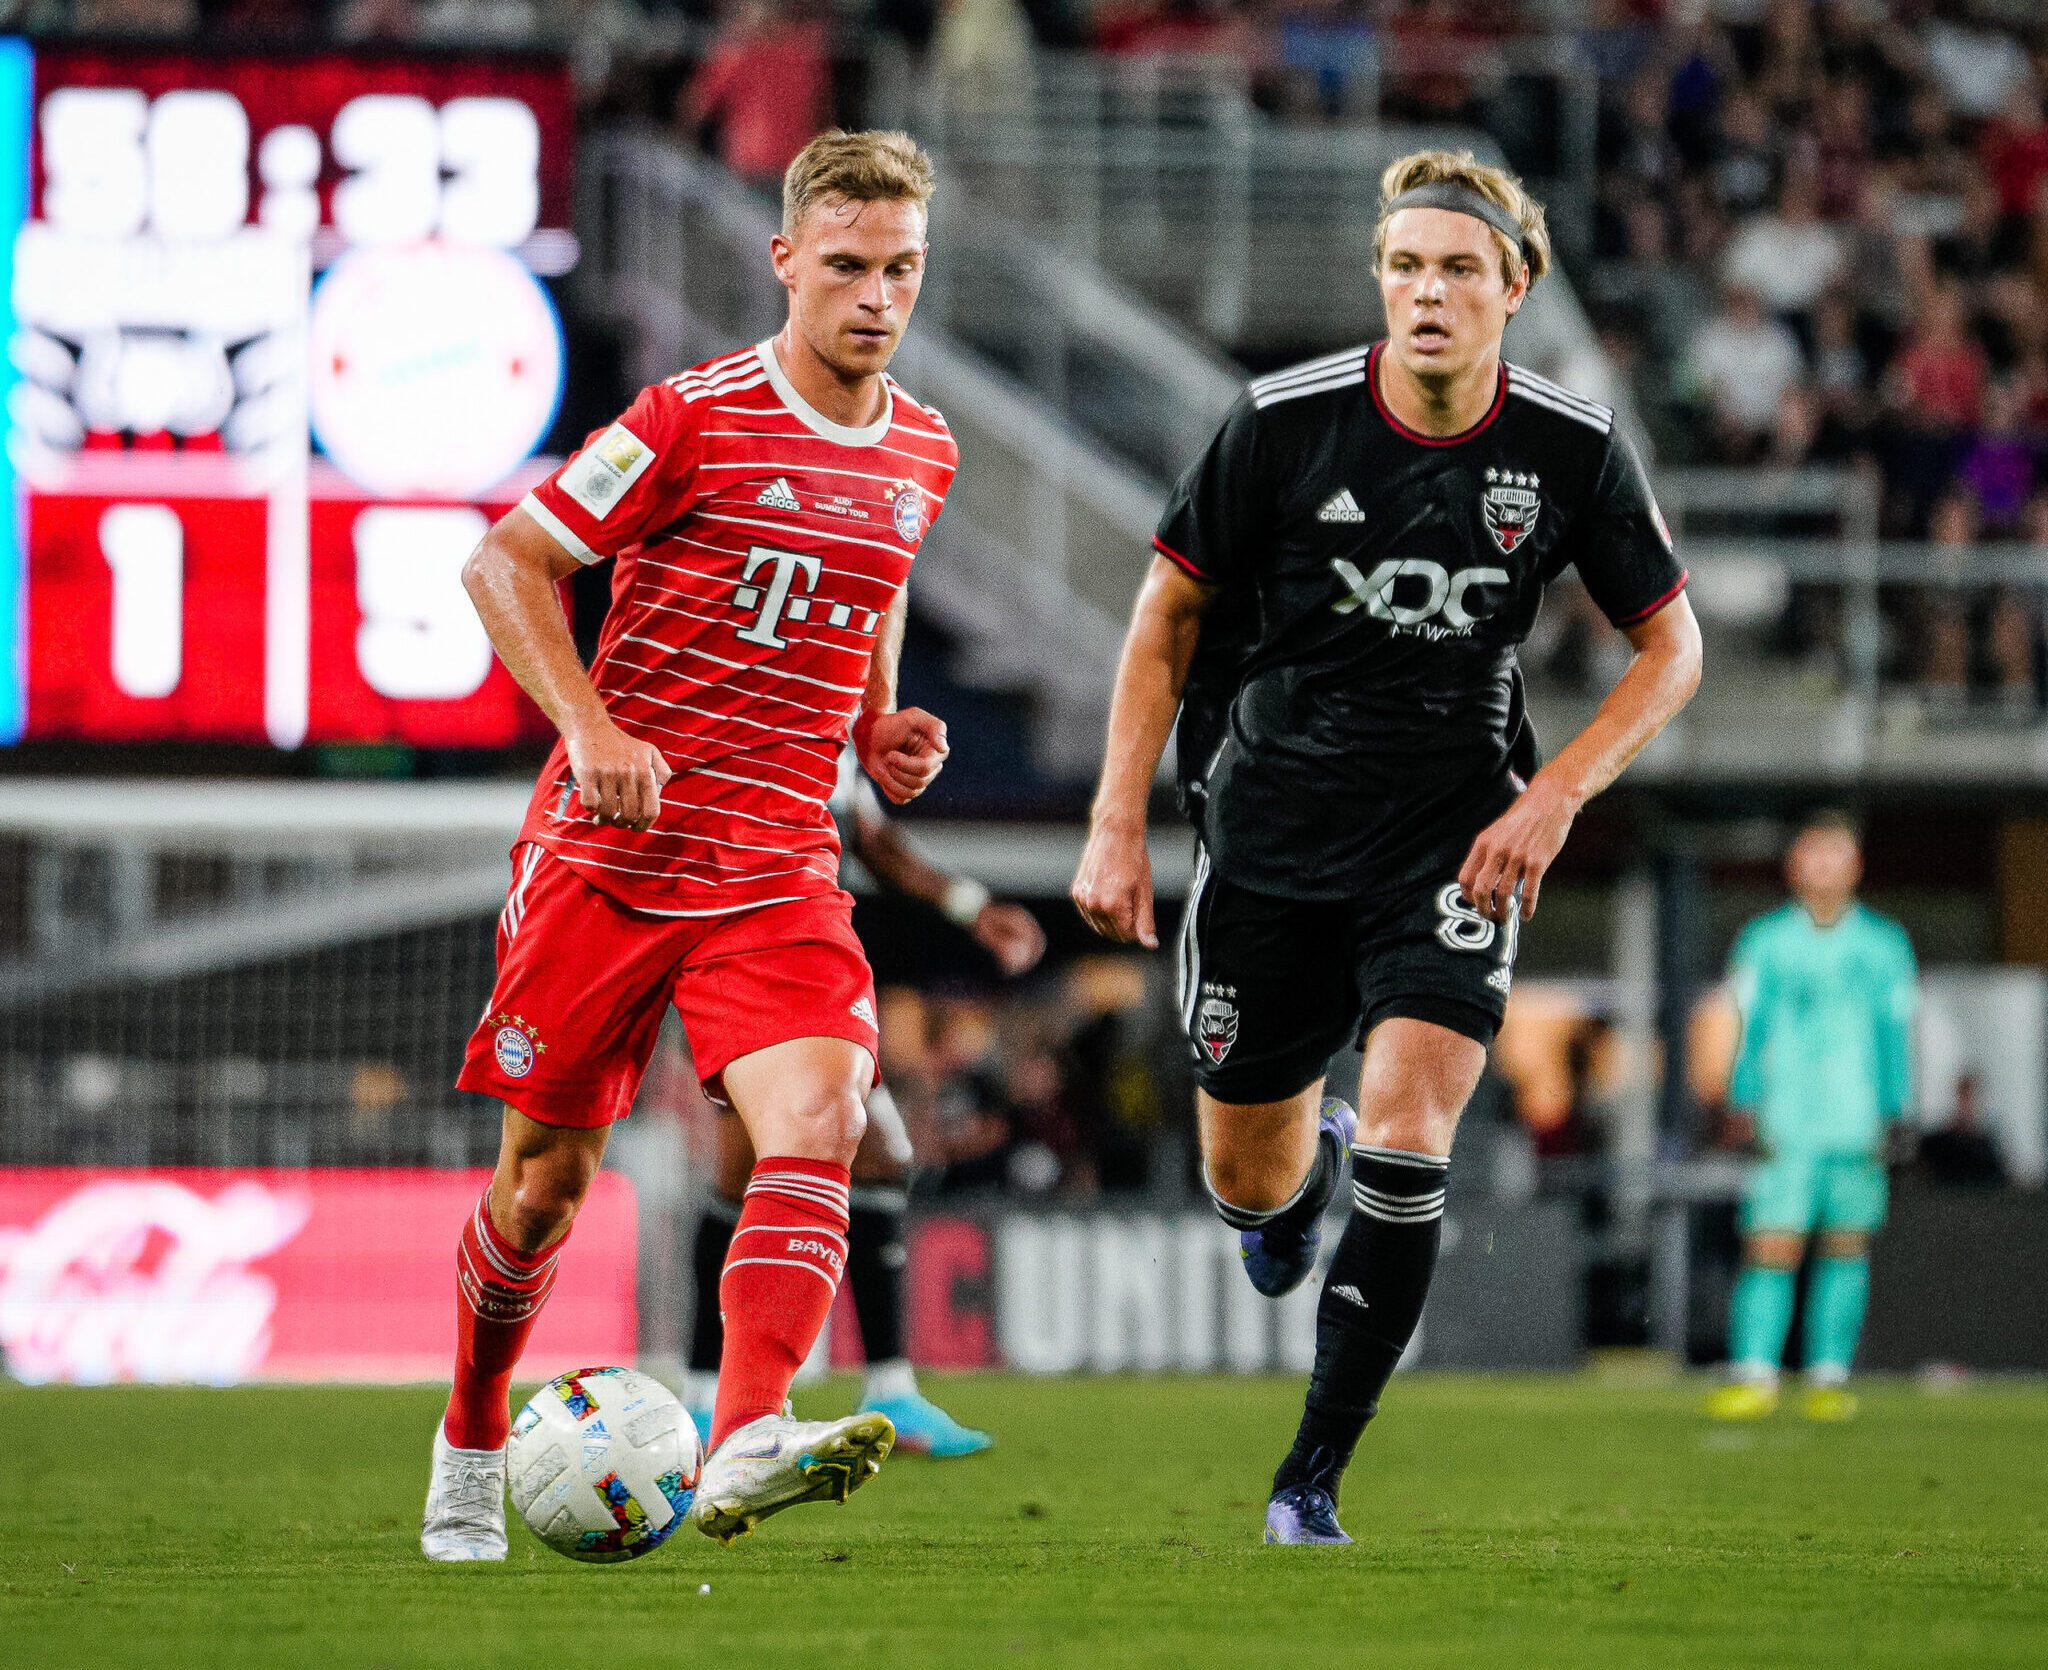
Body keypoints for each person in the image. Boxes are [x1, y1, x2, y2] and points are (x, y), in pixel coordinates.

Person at [1071, 148, 1701, 1546]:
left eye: (1459, 269)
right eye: (1407, 266)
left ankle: (1310, 1478)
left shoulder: (1570, 448)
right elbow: (1166, 618)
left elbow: (1674, 647)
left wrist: (1556, 797)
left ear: (1512, 289)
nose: (1429, 291)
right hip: (1271, 833)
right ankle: (1285, 1194)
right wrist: (1117, 819)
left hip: (1453, 838)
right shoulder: (1280, 424)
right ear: (1380, 279)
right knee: (1248, 1174)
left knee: (1415, 1146)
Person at [421, 128, 957, 1558]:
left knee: (824, 1117)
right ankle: (473, 1433)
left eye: (902, 268)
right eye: (847, 266)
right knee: (540, 1189)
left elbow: (874, 579)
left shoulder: (925, 446)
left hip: (776, 858)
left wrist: (879, 719)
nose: (876, 297)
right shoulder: (690, 417)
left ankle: (746, 1434)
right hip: (612, 852)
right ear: (785, 261)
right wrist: (592, 727)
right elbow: (505, 562)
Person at [683, 747, 1046, 1456]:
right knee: (788, 1168)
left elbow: (874, 840)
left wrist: (972, 909)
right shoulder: (745, 710)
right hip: (743, 959)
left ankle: (728, 1400)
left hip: (807, 964)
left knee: (822, 1166)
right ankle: (737, 1401)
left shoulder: (829, 727)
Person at [1709, 813, 1917, 1424]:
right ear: (1794, 868)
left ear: (1855, 868)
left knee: (1845, 1248)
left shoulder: (1884, 945)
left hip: (1855, 1122)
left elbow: (1893, 1033)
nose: (1823, 868)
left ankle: (1829, 1375)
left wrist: (1896, 1110)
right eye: (1813, 856)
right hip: (1784, 1118)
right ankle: (1754, 1373)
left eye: (1836, 856)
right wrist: (1742, 1100)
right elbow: (1750, 1030)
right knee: (1771, 1246)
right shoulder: (1764, 941)